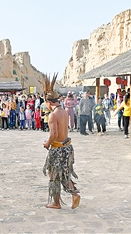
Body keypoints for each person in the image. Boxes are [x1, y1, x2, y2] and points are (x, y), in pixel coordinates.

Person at [42, 73, 80, 209]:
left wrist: (47, 143)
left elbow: (54, 134)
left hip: (57, 149)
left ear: (49, 102)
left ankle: (57, 202)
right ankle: (74, 194)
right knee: (64, 172)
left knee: (53, 175)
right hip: (67, 147)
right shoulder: (64, 111)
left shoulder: (53, 115)